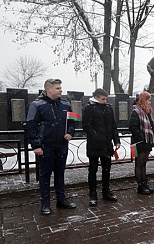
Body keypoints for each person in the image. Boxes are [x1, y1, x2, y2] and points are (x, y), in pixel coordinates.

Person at [26, 79, 77, 215]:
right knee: (45, 175)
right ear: (49, 90)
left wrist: (70, 133)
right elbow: (30, 126)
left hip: (61, 145)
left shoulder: (66, 104)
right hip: (45, 146)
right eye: (57, 88)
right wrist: (36, 145)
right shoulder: (37, 105)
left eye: (61, 87)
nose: (61, 90)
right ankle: (45, 204)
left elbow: (73, 122)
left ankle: (61, 200)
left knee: (60, 173)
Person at [82, 88, 121, 206]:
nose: (105, 101)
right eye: (103, 99)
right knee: (93, 170)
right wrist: (96, 136)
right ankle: (93, 195)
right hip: (94, 144)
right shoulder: (89, 108)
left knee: (106, 169)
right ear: (96, 97)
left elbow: (113, 125)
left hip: (106, 144)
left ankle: (106, 191)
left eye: (106, 99)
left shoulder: (108, 108)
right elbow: (86, 126)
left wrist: (116, 140)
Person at [129, 92, 154, 194]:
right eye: (148, 100)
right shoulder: (136, 112)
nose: (150, 102)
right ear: (143, 100)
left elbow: (151, 127)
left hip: (147, 141)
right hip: (140, 142)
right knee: (139, 163)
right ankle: (140, 185)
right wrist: (141, 137)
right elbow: (132, 127)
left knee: (144, 162)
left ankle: (144, 182)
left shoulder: (147, 112)